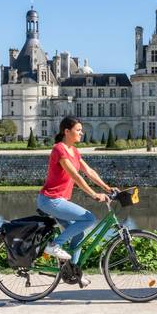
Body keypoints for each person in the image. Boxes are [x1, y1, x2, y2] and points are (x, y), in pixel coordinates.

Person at [37, 116, 117, 288]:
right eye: (78, 130)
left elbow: (88, 171)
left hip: (57, 200)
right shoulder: (59, 149)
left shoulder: (73, 150)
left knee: (79, 234)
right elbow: (75, 175)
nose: (82, 132)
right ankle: (54, 245)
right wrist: (94, 194)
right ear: (67, 131)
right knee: (88, 218)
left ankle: (73, 272)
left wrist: (107, 187)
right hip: (51, 200)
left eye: (81, 130)